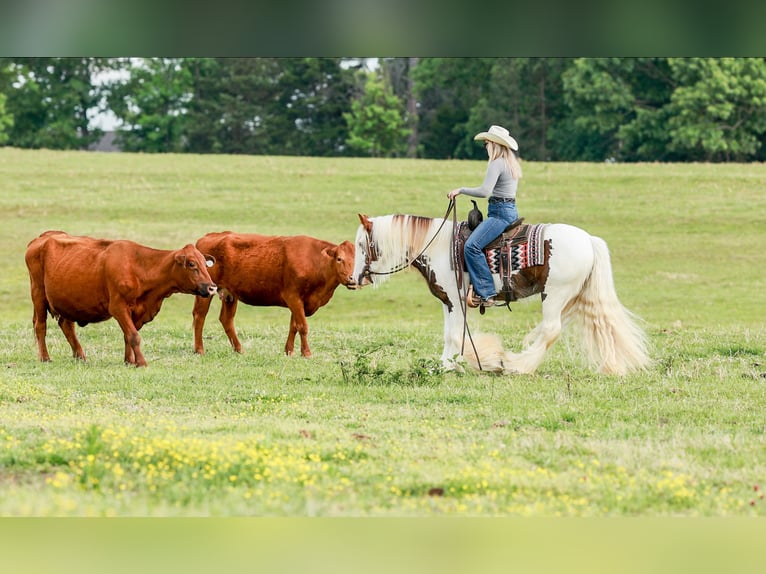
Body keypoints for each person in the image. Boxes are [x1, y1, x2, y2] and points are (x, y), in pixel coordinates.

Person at [447, 124, 522, 308]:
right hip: (511, 210)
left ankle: (487, 293)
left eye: (486, 144)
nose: (485, 147)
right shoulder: (510, 162)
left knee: (471, 246)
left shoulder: (497, 163)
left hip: (499, 214)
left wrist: (461, 190)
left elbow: (485, 191)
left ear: (493, 144)